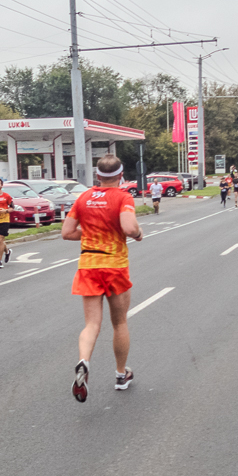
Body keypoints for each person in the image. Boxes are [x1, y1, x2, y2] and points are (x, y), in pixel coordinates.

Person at [62, 154, 143, 402]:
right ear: (120, 176)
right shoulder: (123, 196)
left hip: (88, 265)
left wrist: (88, 234)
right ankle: (121, 375)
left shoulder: (83, 198)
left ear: (98, 176)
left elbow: (66, 232)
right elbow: (129, 228)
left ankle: (83, 361)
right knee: (119, 323)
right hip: (114, 266)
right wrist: (138, 234)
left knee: (91, 325)